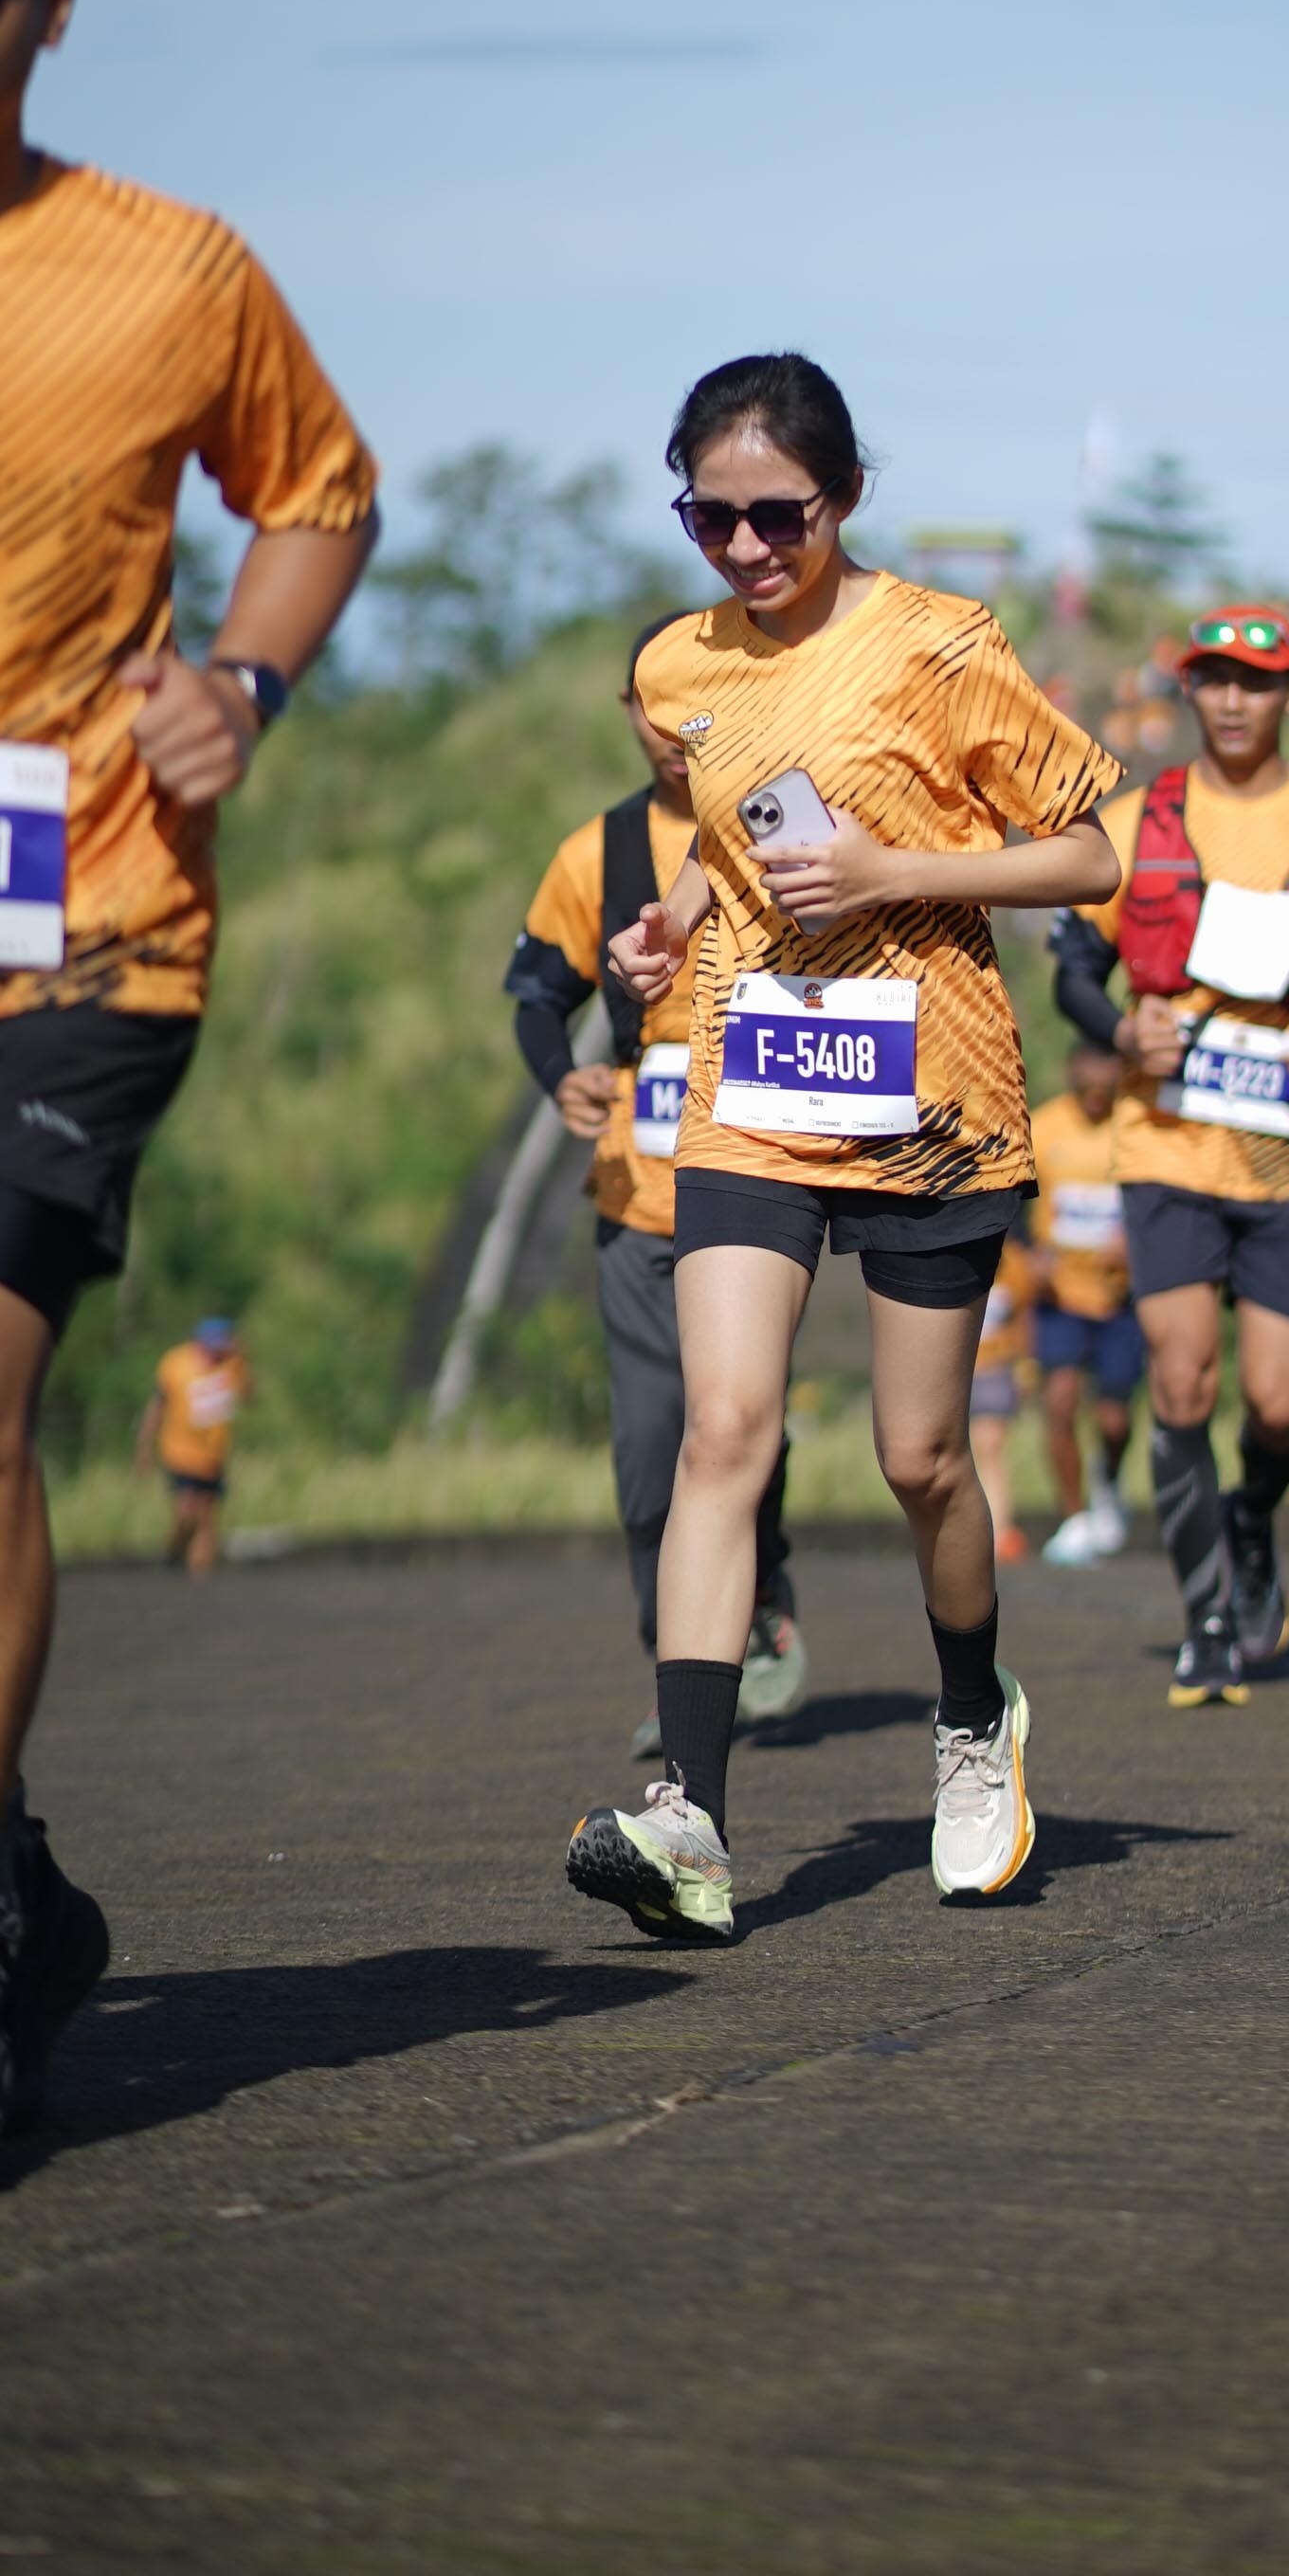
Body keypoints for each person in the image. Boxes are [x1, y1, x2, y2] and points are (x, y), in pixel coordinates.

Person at [0, 0, 377, 2150]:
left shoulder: (168, 269)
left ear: (49, 4)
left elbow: (315, 491)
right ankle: (19, 1886)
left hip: (85, 927)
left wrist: (239, 684)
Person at [562, 354, 1119, 1944]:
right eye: (709, 518)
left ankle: (972, 1716)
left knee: (919, 1458)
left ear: (845, 495)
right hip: (754, 1085)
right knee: (721, 1430)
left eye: (777, 517)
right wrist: (673, 925)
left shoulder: (942, 643)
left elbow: (1094, 851)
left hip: (932, 1096)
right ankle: (689, 1814)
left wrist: (891, 871)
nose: (743, 548)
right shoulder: (680, 663)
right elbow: (726, 827)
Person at [1051, 606, 1289, 1706]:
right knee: (1179, 1376)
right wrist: (1120, 1029)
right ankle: (1205, 1613)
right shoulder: (1133, 823)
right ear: (1185, 689)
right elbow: (1073, 969)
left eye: (1253, 683)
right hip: (1165, 1145)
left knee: (1274, 1401)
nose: (1230, 701)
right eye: (1211, 679)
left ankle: (1250, 1515)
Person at [505, 632, 807, 1761]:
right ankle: (673, 1662)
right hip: (642, 1195)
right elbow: (538, 993)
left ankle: (760, 1599)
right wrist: (561, 1075)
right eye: (655, 704)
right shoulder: (601, 851)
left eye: (699, 701)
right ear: (629, 710)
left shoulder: (790, 817)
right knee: (647, 1452)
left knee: (737, 1425)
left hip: (766, 1174)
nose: (678, 727)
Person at [1030, 1041, 1145, 1565]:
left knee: (1115, 1419)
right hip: (1060, 1296)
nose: (1097, 1096)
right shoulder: (1044, 1127)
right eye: (1088, 1085)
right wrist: (1031, 1258)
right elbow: (1012, 1203)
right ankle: (1074, 1516)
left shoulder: (1136, 1129)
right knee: (1059, 1401)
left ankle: (1108, 1477)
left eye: (1106, 1087)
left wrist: (1136, 1241)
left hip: (1120, 1298)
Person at [134, 1315, 250, 1575]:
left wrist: (244, 1358)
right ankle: (174, 1551)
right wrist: (145, 1446)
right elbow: (157, 1407)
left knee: (207, 1515)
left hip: (213, 1456)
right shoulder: (176, 1364)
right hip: (179, 1451)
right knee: (186, 1509)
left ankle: (200, 1577)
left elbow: (248, 1395)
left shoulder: (232, 1366)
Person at [967, 1231, 1036, 1563]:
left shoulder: (1014, 1263)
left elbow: (1024, 1317)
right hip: (952, 1366)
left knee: (989, 1446)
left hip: (994, 1365)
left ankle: (998, 1529)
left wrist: (1026, 1365)